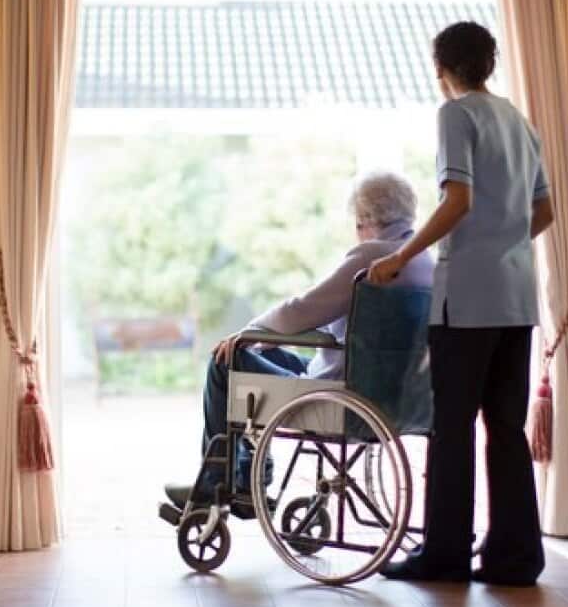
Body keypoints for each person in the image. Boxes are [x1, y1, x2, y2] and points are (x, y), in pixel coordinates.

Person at [368, 21, 555, 586]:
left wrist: (402, 256)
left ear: (440, 68)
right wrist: (507, 245)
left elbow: (459, 199)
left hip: (468, 300)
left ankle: (444, 554)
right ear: (490, 63)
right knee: (505, 426)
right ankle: (515, 557)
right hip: (516, 297)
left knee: (452, 427)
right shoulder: (520, 122)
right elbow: (544, 212)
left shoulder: (456, 114)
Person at [164, 171, 435, 510]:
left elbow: (304, 309)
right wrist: (264, 342)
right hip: (395, 397)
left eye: (357, 221)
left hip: (342, 397)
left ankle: (219, 484)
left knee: (227, 360)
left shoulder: (371, 258)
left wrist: (251, 333)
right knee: (270, 354)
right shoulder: (426, 261)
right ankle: (246, 474)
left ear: (366, 218)